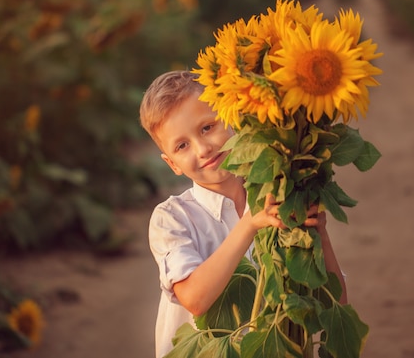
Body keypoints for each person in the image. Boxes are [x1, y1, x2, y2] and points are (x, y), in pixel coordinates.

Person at [139, 70, 347, 358]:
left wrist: (319, 234)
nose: (203, 148)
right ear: (172, 164)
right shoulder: (172, 218)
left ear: (232, 118)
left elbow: (335, 302)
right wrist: (250, 223)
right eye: (182, 146)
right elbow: (195, 299)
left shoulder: (277, 194)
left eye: (207, 127)